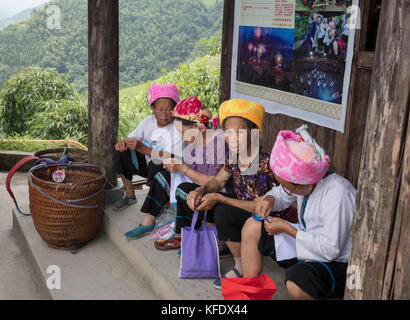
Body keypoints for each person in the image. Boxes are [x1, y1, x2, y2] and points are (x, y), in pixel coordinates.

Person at [241, 126, 356, 300]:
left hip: (337, 262)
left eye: (287, 185)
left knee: (298, 282)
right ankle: (250, 296)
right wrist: (270, 199)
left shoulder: (339, 193)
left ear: (305, 184)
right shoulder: (304, 182)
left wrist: (289, 230)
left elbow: (331, 249)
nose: (285, 189)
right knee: (252, 226)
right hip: (308, 241)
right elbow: (282, 193)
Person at [183, 99, 286, 290]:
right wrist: (201, 190)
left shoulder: (266, 164)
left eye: (239, 132)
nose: (233, 139)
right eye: (228, 133)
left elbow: (260, 207)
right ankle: (239, 264)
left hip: (265, 218)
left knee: (222, 208)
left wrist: (221, 198)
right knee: (212, 205)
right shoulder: (235, 158)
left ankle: (246, 269)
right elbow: (219, 181)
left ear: (255, 133)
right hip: (241, 211)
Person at [124, 97, 226, 240]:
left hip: (214, 193)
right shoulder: (194, 143)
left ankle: (184, 233)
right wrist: (177, 166)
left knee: (182, 189)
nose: (182, 138)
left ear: (197, 128)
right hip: (198, 185)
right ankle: (148, 222)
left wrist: (183, 169)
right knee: (162, 176)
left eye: (183, 133)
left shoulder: (215, 145)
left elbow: (215, 182)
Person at [114, 83, 180, 211]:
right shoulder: (147, 122)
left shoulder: (176, 127)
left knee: (158, 161)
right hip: (146, 166)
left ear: (175, 109)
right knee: (123, 152)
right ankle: (129, 194)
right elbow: (132, 138)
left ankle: (159, 202)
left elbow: (173, 156)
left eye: (169, 110)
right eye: (160, 109)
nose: (164, 114)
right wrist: (123, 142)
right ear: (153, 108)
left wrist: (144, 149)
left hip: (167, 170)